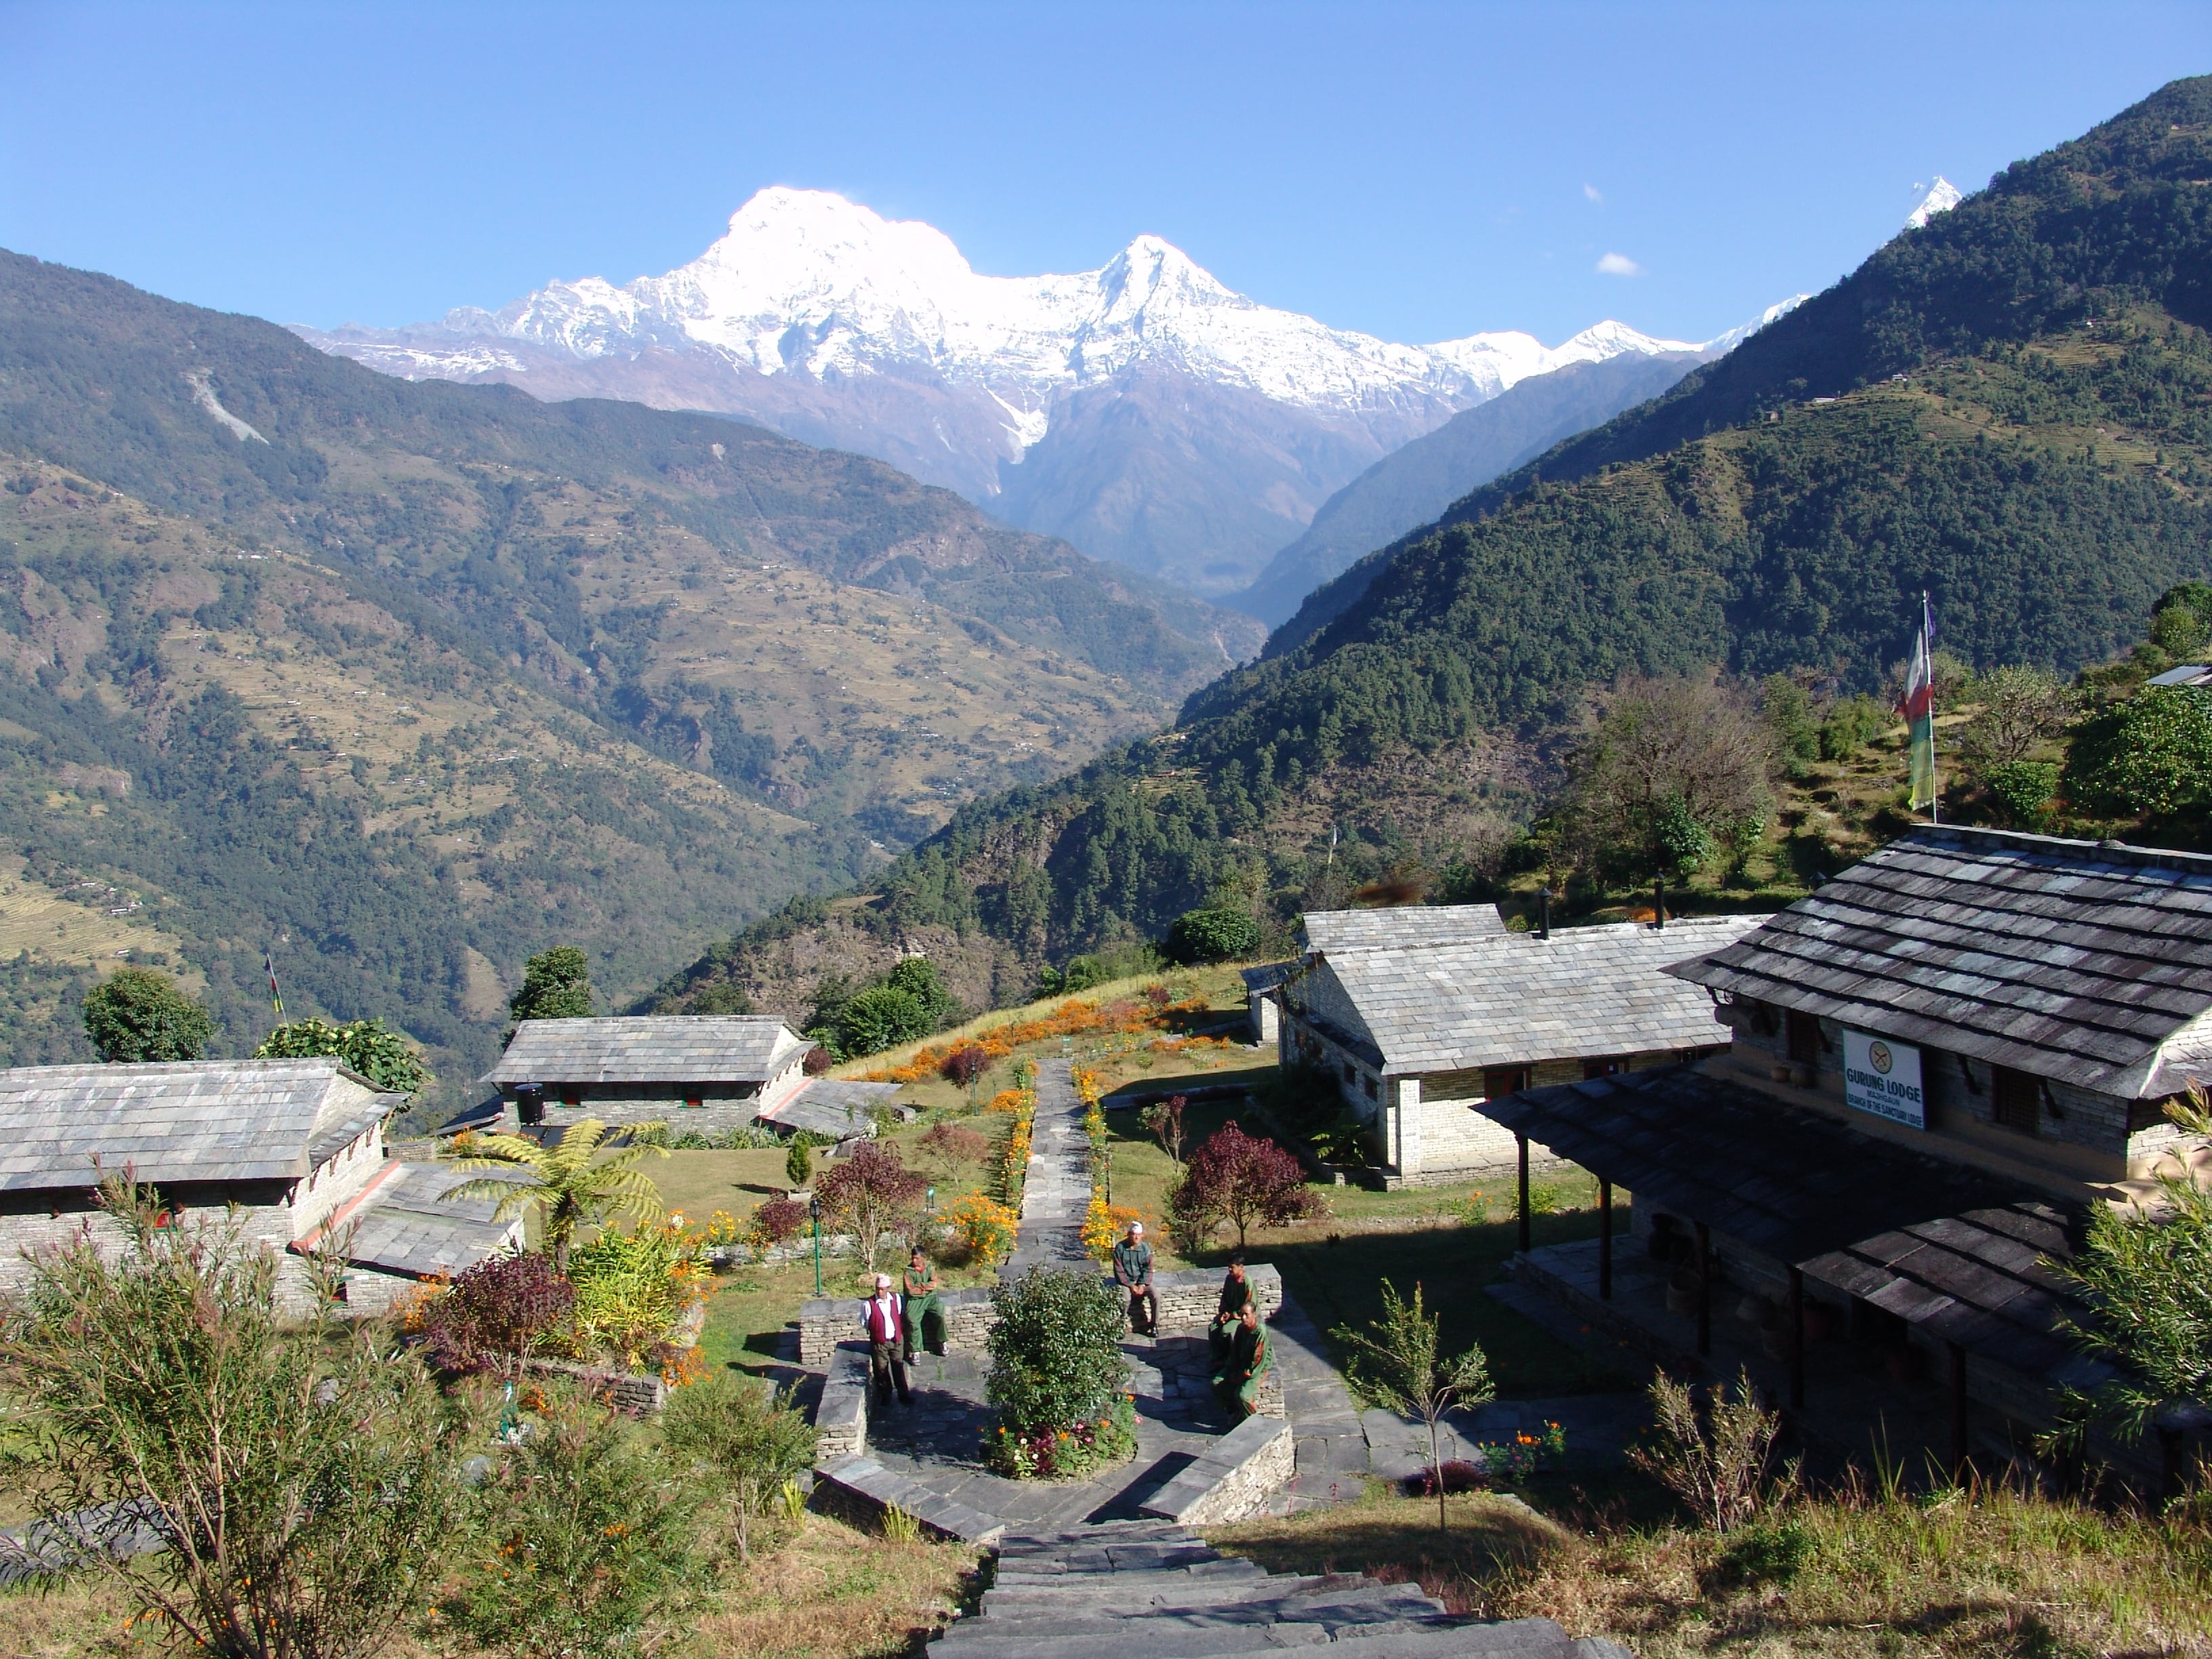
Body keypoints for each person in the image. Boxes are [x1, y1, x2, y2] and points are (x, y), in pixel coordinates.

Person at [1211, 1300, 1271, 1420]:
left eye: (1246, 1315)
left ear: (1254, 1315)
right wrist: (1232, 1368)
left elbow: (1258, 1359)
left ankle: (1253, 1422)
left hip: (1257, 1370)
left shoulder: (1260, 1333)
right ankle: (1233, 1411)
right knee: (1216, 1383)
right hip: (1241, 1365)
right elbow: (1235, 1351)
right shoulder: (1241, 1329)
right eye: (1241, 1314)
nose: (1243, 1318)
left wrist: (1242, 1376)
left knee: (1244, 1395)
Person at [861, 1273, 914, 1406]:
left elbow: (900, 1314)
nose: (880, 1291)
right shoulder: (868, 1304)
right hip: (880, 1343)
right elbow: (864, 1322)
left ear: (888, 1288)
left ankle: (903, 1394)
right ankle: (886, 1396)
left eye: (883, 1289)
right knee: (881, 1369)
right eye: (878, 1288)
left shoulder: (897, 1299)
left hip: (896, 1340)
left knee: (898, 1366)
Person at [1113, 1220, 1156, 1337]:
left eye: (1138, 1235)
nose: (1136, 1237)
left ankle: (1153, 1324)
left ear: (1142, 1235)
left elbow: (1148, 1268)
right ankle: (1120, 1326)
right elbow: (1119, 1270)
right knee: (1125, 1299)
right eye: (1133, 1234)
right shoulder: (1120, 1248)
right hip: (1126, 1282)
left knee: (1156, 1295)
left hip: (1140, 1280)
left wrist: (1142, 1284)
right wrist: (1130, 1285)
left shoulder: (1145, 1249)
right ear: (1128, 1234)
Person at [901, 1246, 944, 1363]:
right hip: (915, 1300)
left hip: (930, 1298)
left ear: (923, 1258)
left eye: (917, 1258)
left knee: (940, 1314)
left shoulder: (930, 1268)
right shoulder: (908, 1271)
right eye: (913, 1258)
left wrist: (922, 1287)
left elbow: (934, 1283)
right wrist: (925, 1289)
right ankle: (915, 1351)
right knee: (913, 1321)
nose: (914, 1261)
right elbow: (910, 1290)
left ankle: (942, 1341)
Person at [1208, 1258, 1250, 1365]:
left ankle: (1230, 1359)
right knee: (1213, 1328)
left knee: (1226, 1331)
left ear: (1241, 1267)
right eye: (1229, 1267)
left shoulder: (1247, 1283)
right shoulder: (1229, 1279)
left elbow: (1249, 1306)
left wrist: (1233, 1316)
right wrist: (1224, 1312)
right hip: (1229, 1313)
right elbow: (1225, 1298)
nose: (1230, 1270)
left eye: (1233, 1267)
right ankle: (1217, 1358)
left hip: (1242, 1316)